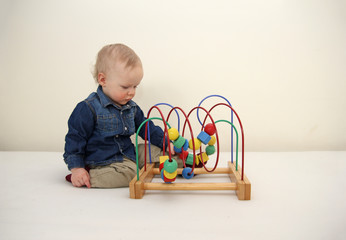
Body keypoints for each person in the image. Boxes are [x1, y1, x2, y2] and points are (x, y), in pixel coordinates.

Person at [63, 43, 175, 188]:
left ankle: (185, 162)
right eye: (125, 87)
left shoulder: (131, 106)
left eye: (135, 86)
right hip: (103, 161)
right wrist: (77, 168)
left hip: (128, 153)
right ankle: (88, 176)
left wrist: (164, 141)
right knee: (132, 173)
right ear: (103, 80)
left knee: (156, 151)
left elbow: (146, 127)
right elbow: (75, 139)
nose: (132, 92)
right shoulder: (88, 108)